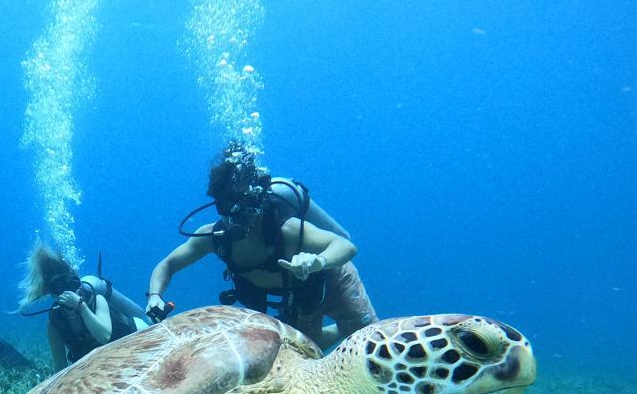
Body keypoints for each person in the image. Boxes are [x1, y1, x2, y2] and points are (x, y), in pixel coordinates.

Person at [145, 141, 377, 348]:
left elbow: (345, 246)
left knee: (368, 339)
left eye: (245, 211)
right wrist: (154, 296)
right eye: (228, 209)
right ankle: (340, 329)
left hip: (330, 277)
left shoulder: (286, 229)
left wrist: (319, 260)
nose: (237, 221)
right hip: (297, 295)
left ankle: (349, 326)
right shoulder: (214, 238)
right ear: (218, 205)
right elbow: (167, 265)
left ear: (258, 204)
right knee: (306, 349)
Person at [20, 243, 150, 370]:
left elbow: (105, 337)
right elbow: (59, 365)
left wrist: (82, 307)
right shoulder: (55, 321)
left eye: (70, 285)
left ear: (76, 283)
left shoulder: (96, 299)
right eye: (59, 288)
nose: (67, 292)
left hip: (133, 335)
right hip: (104, 361)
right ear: (54, 293)